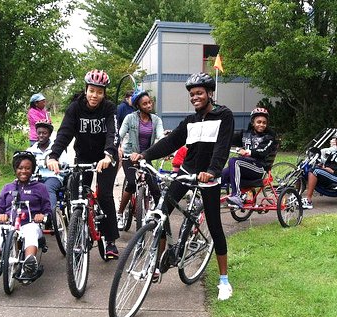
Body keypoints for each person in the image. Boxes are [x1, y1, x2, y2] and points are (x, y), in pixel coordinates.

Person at [130, 72, 235, 301]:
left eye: (199, 93)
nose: (194, 97)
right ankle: (156, 266)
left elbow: (222, 146)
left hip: (209, 177)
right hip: (186, 173)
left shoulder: (223, 115)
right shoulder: (191, 121)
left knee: (215, 225)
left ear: (209, 93)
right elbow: (171, 142)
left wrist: (214, 171)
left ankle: (224, 280)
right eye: (191, 94)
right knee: (161, 213)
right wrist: (145, 155)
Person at [46, 69, 120, 259]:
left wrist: (109, 155)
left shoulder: (109, 108)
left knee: (104, 195)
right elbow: (64, 133)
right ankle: (80, 232)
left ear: (104, 93)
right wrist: (53, 155)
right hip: (84, 157)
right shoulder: (75, 108)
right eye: (92, 90)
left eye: (99, 92)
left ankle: (110, 240)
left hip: (106, 157)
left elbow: (113, 133)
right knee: (77, 195)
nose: (95, 95)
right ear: (86, 89)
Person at [0, 151, 52, 279]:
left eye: (27, 168)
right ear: (15, 169)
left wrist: (42, 216)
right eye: (20, 168)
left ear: (32, 170)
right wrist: (1, 215)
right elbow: (0, 209)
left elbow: (47, 209)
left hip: (30, 223)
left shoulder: (40, 188)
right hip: (10, 223)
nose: (24, 171)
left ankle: (29, 266)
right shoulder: (7, 188)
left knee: (31, 232)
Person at [116, 88, 165, 230]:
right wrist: (117, 147)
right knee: (131, 183)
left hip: (145, 156)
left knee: (155, 188)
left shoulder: (156, 120)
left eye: (150, 102)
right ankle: (120, 213)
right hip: (129, 156)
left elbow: (160, 135)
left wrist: (164, 146)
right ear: (138, 106)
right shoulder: (130, 118)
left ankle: (160, 216)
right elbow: (119, 134)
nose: (149, 106)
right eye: (145, 104)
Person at [221, 107, 278, 207]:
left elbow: (263, 152)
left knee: (234, 161)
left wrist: (248, 152)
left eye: (264, 122)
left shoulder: (269, 137)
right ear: (253, 122)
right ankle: (209, 195)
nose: (261, 124)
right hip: (243, 168)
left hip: (258, 169)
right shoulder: (244, 134)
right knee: (224, 173)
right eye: (258, 122)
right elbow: (229, 139)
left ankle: (237, 195)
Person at [26, 120, 70, 207]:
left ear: (49, 134)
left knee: (47, 188)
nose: (41, 135)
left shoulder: (57, 148)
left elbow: (65, 166)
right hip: (35, 177)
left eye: (44, 133)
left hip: (53, 177)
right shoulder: (30, 150)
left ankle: (50, 215)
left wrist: (58, 165)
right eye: (39, 133)